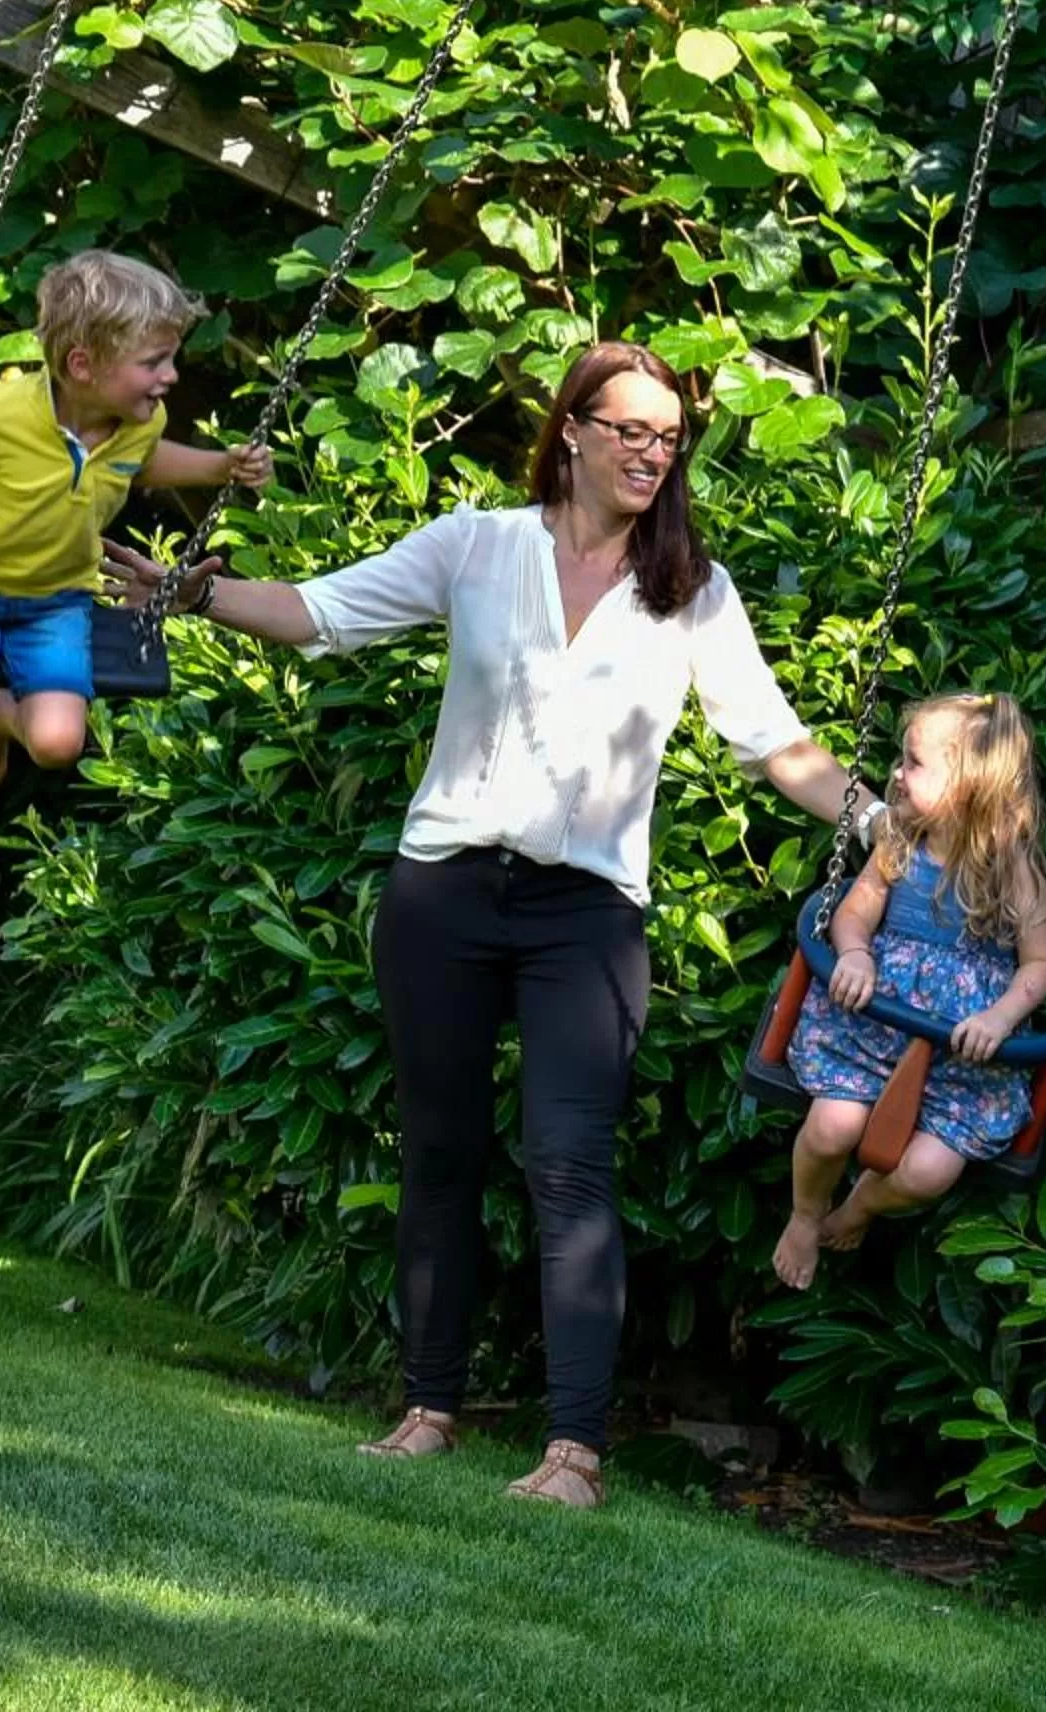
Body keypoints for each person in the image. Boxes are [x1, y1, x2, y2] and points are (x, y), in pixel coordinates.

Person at [103, 340, 878, 1510]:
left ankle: (574, 1452)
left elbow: (776, 743)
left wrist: (875, 814)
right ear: (571, 429)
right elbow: (321, 613)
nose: (651, 454)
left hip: (588, 913)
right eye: (630, 430)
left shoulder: (689, 589)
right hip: (444, 894)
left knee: (571, 1164)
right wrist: (191, 589)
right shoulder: (477, 543)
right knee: (440, 1155)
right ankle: (427, 1409)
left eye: (669, 439)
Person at [0, 249, 270, 802]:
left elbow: (145, 463)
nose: (170, 376)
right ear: (83, 367)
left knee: (57, 743)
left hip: (56, 601)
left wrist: (221, 466)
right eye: (154, 362)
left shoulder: (140, 420)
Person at [770, 693, 1046, 1291]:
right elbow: (852, 916)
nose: (895, 775)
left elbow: (1041, 963)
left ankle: (856, 1208)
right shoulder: (899, 843)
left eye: (913, 763)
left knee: (929, 1172)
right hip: (869, 1032)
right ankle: (805, 1214)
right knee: (831, 1128)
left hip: (962, 1062)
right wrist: (853, 953)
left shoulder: (1014, 872)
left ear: (969, 785)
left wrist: (1003, 1016)